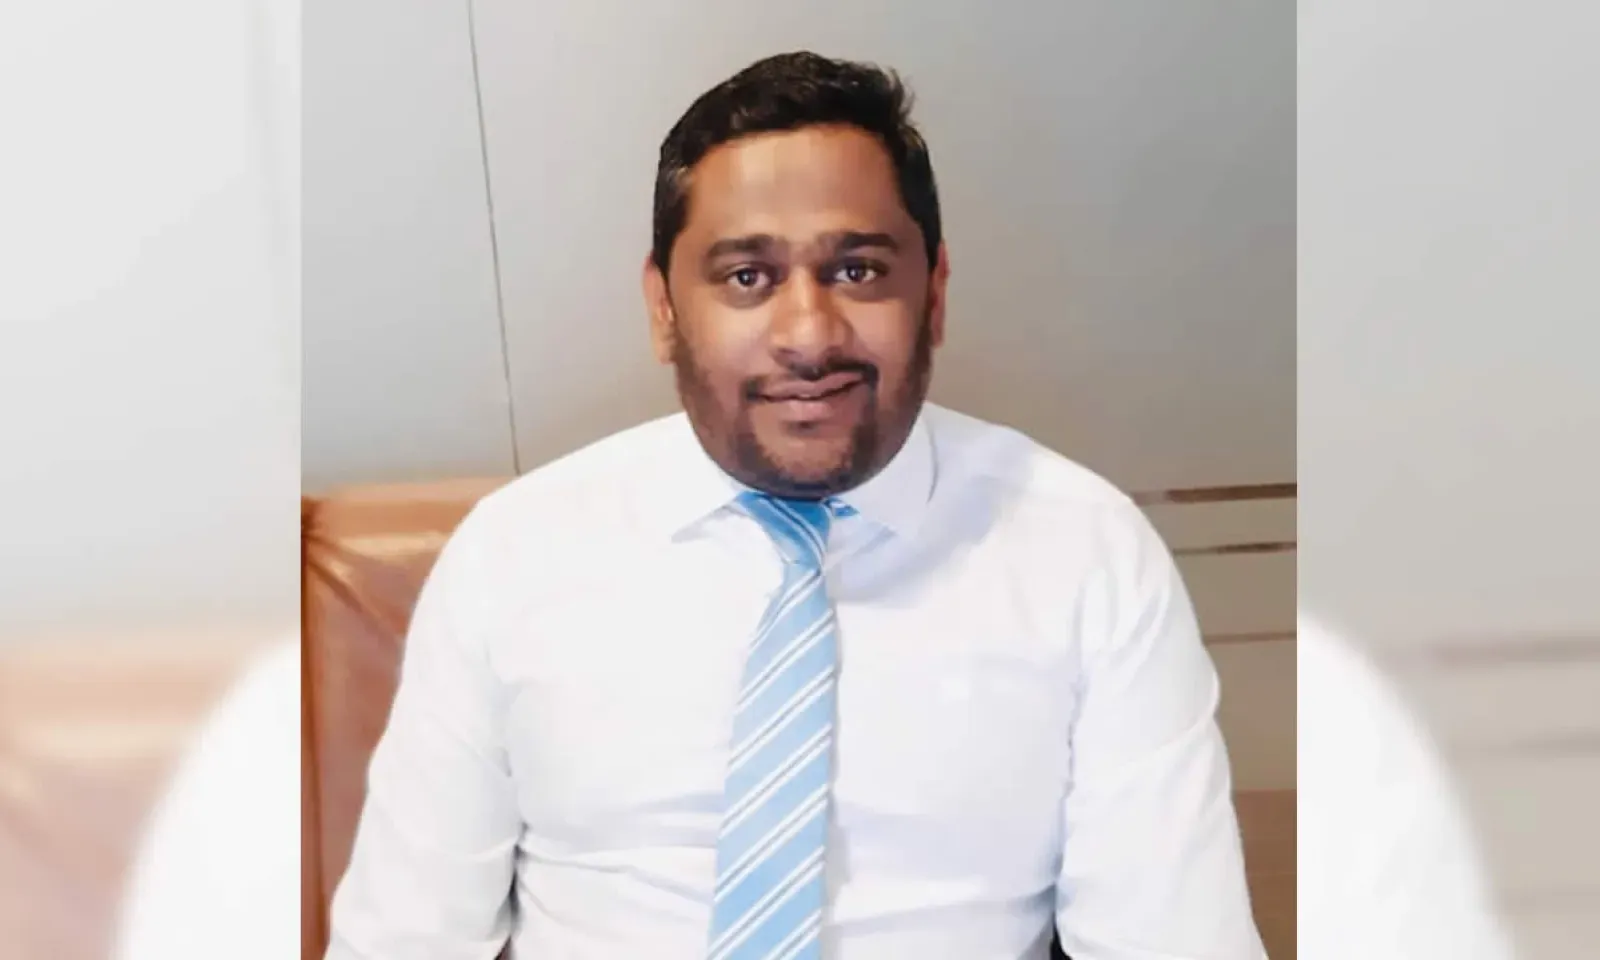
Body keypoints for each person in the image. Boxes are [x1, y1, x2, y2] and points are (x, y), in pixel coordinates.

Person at [328, 51, 1265, 960]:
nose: (810, 336)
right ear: (663, 308)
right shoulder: (514, 555)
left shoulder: (1087, 553)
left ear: (934, 293)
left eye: (858, 270)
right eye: (748, 277)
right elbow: (407, 938)